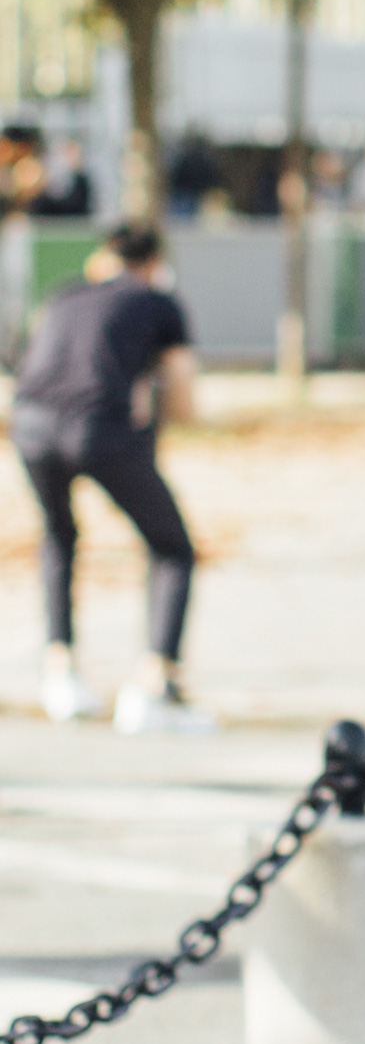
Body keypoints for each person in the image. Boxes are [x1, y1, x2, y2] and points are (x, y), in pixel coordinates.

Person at [10, 223, 209, 730]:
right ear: (153, 264)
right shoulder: (159, 303)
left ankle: (61, 674)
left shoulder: (64, 295)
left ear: (103, 258)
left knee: (59, 534)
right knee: (172, 547)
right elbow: (184, 395)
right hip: (98, 427)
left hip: (29, 424)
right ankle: (155, 687)